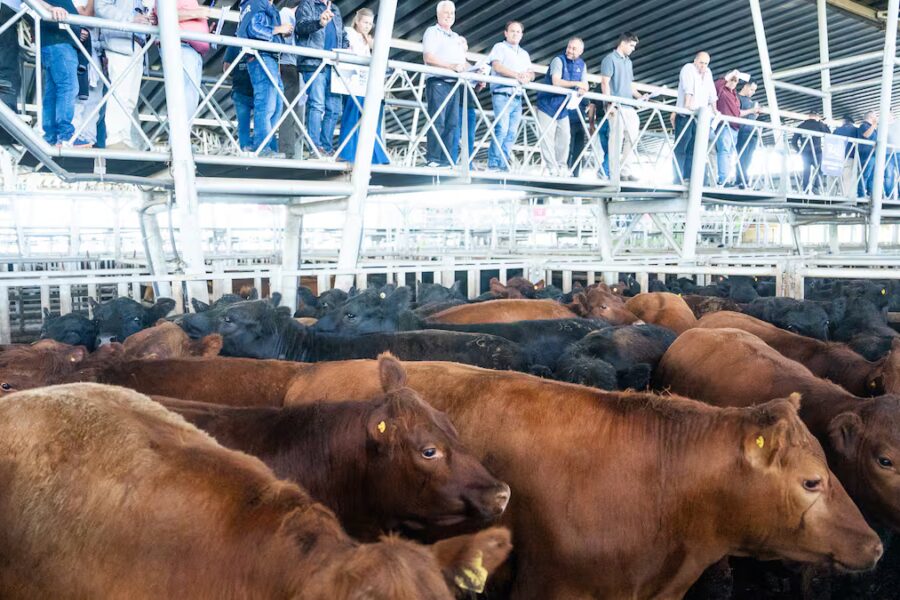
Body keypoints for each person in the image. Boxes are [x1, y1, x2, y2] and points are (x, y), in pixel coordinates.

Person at [238, 0, 292, 157]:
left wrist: (280, 33)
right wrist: (279, 29)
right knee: (267, 103)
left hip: (270, 58)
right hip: (262, 57)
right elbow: (254, 29)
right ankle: (262, 147)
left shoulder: (261, 5)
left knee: (275, 104)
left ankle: (267, 146)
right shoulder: (257, 3)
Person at [335, 8, 388, 164]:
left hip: (366, 82)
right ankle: (347, 153)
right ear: (357, 21)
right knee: (352, 116)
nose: (367, 26)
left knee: (371, 118)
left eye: (370, 24)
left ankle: (375, 156)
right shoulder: (348, 32)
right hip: (353, 81)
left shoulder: (369, 39)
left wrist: (371, 43)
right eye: (365, 22)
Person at [96, 0, 150, 150]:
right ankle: (114, 139)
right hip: (119, 43)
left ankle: (124, 139)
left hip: (137, 45)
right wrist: (131, 18)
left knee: (130, 98)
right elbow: (101, 7)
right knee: (120, 93)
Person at [295, 0, 348, 156]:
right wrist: (319, 22)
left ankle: (326, 147)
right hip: (313, 63)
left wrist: (345, 48)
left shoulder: (336, 9)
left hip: (334, 67)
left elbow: (343, 35)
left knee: (334, 109)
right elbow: (300, 28)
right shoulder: (307, 5)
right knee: (317, 104)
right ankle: (314, 147)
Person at [421, 0, 468, 167]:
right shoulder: (432, 32)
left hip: (454, 83)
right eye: (446, 12)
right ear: (438, 14)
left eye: (452, 13)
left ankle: (446, 160)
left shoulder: (456, 37)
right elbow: (429, 57)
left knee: (452, 123)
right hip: (438, 81)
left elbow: (462, 62)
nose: (449, 16)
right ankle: (433, 158)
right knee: (438, 120)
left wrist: (476, 73)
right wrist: (451, 67)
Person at [535, 37, 588, 176]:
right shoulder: (558, 60)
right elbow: (556, 81)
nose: (570, 50)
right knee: (547, 138)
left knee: (565, 137)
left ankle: (561, 166)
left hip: (563, 108)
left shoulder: (582, 65)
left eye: (574, 48)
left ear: (581, 51)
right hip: (547, 105)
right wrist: (576, 84)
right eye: (569, 47)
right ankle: (551, 167)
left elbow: (585, 84)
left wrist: (583, 89)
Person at [599, 32, 646, 182]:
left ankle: (625, 171)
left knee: (632, 138)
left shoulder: (628, 62)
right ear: (623, 43)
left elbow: (630, 85)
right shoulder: (609, 59)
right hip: (616, 106)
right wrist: (609, 105)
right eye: (631, 45)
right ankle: (613, 173)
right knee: (616, 140)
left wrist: (640, 97)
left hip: (629, 105)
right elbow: (605, 82)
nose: (633, 49)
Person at [486, 20, 532, 171]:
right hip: (502, 93)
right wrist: (517, 75)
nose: (515, 34)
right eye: (512, 31)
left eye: (518, 32)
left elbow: (531, 72)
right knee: (502, 128)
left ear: (522, 35)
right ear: (506, 33)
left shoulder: (524, 54)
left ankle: (503, 163)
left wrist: (528, 77)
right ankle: (493, 163)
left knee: (512, 132)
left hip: (517, 97)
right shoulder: (499, 47)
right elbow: (497, 66)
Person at [39, 0, 83, 146]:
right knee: (68, 86)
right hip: (59, 42)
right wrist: (51, 8)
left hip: (55, 40)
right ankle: (65, 135)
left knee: (53, 92)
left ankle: (51, 137)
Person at [158, 0, 210, 124]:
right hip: (181, 47)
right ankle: (179, 141)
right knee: (183, 98)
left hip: (192, 50)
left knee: (191, 98)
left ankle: (183, 138)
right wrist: (196, 13)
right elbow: (163, 13)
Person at [673, 51, 717, 183]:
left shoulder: (708, 73)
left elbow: (712, 93)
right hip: (686, 115)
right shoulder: (688, 69)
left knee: (694, 147)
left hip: (700, 117)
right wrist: (687, 105)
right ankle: (677, 178)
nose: (703, 66)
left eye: (706, 63)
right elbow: (688, 89)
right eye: (701, 63)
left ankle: (689, 176)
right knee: (682, 147)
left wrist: (715, 110)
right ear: (695, 61)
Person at [713, 70, 744, 186]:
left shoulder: (734, 94)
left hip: (734, 127)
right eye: (731, 80)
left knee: (729, 153)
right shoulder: (721, 90)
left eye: (735, 81)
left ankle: (726, 178)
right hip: (725, 126)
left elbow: (738, 111)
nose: (733, 83)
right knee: (724, 151)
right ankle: (723, 178)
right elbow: (717, 85)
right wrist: (730, 75)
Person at [278, 0, 300, 157]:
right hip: (287, 64)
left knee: (290, 109)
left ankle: (288, 149)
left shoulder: (288, 14)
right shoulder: (286, 13)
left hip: (290, 64)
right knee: (288, 109)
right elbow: (285, 38)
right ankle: (287, 151)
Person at [791, 112, 830, 194]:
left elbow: (793, 142)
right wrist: (822, 123)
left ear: (808, 116)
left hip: (805, 153)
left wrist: (799, 151)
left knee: (806, 172)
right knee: (820, 170)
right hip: (817, 152)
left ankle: (805, 190)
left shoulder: (801, 126)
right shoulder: (819, 125)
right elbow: (829, 134)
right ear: (817, 116)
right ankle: (816, 187)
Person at [223, 44, 254, 152]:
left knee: (243, 124)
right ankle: (261, 147)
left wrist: (237, 74)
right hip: (257, 91)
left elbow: (226, 68)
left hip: (240, 89)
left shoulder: (233, 46)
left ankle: (245, 149)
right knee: (264, 121)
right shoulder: (258, 40)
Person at [736, 80, 761, 188]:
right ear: (745, 86)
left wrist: (756, 113)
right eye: (751, 89)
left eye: (754, 90)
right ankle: (741, 180)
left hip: (752, 132)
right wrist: (751, 111)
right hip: (743, 131)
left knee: (749, 158)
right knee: (743, 157)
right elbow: (736, 113)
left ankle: (744, 179)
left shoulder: (751, 101)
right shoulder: (737, 98)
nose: (753, 92)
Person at [857, 111, 877, 197]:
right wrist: (874, 125)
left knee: (872, 176)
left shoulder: (873, 128)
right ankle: (861, 194)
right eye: (875, 115)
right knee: (864, 175)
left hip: (873, 154)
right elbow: (866, 135)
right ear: (870, 117)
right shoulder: (863, 125)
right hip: (866, 154)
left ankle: (870, 193)